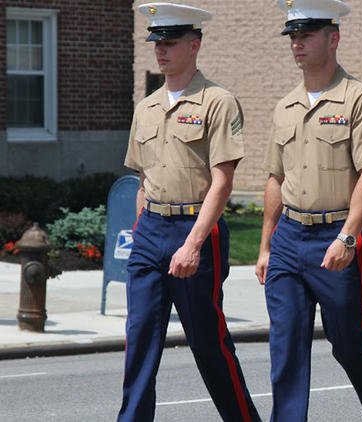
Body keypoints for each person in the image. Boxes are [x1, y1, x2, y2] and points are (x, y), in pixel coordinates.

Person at [119, 3, 261, 422]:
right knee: (139, 336)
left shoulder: (218, 102)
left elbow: (223, 181)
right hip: (151, 230)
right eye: (157, 42)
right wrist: (141, 228)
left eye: (171, 42)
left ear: (194, 45)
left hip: (195, 229)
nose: (161, 50)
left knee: (207, 343)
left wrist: (193, 243)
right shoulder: (146, 107)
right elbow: (142, 180)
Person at [255, 0, 362, 420]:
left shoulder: (359, 100)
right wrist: (265, 245)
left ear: (332, 38)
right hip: (288, 239)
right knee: (285, 347)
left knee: (350, 343)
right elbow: (275, 179)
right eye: (293, 36)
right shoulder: (285, 105)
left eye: (306, 35)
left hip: (335, 236)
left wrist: (348, 237)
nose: (296, 44)